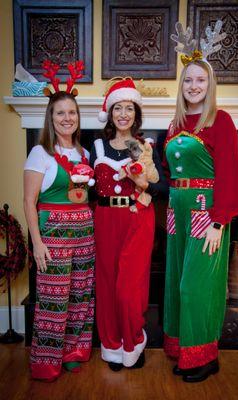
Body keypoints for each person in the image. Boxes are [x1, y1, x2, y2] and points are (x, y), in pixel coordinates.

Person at [163, 22, 238, 383]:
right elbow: (167, 170)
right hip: (176, 212)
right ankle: (183, 347)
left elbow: (229, 175)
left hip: (204, 212)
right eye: (188, 80)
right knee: (175, 280)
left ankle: (203, 356)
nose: (194, 86)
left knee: (196, 286)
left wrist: (219, 220)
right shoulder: (175, 123)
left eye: (200, 80)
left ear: (210, 85)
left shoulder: (220, 121)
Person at [90, 78, 168, 371]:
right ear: (110, 113)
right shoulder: (96, 146)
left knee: (129, 288)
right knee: (108, 284)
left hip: (137, 218)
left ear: (136, 114)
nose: (123, 114)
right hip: (106, 220)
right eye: (118, 108)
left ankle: (134, 341)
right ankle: (112, 346)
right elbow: (87, 186)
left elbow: (162, 191)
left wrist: (140, 181)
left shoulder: (146, 146)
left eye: (129, 109)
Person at [23, 89, 95, 382]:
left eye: (72, 112)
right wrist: (37, 243)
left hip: (84, 234)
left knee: (79, 294)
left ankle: (72, 352)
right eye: (61, 113)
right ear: (50, 118)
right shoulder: (40, 153)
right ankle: (46, 361)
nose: (68, 118)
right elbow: (29, 201)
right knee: (54, 298)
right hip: (53, 236)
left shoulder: (84, 153)